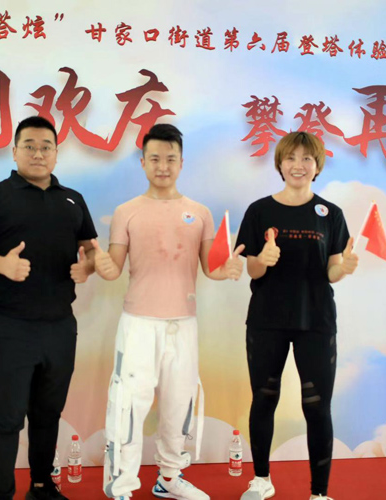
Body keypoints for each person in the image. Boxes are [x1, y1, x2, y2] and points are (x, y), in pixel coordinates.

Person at [95, 123, 244, 500]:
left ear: (182, 163)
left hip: (183, 323)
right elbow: (113, 269)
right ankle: (121, 486)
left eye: (170, 159)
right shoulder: (127, 212)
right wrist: (99, 263)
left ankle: (169, 477)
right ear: (143, 162)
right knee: (129, 404)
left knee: (179, 403)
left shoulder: (199, 212)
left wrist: (227, 269)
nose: (163, 166)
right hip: (138, 324)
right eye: (155, 158)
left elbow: (211, 268)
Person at [0, 116, 97, 500]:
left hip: (60, 327)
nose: (38, 153)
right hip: (11, 327)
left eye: (46, 147)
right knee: (6, 420)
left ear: (56, 153)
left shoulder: (73, 199)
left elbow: (91, 251)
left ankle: (41, 486)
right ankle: (2, 494)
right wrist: (2, 265)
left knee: (47, 414)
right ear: (14, 150)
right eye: (30, 146)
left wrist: (87, 267)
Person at [235, 131, 359, 500]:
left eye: (307, 158)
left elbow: (331, 270)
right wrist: (262, 259)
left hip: (316, 321)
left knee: (317, 407)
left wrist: (344, 268)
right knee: (264, 399)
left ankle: (319, 493)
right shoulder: (259, 211)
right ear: (280, 163)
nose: (298, 165)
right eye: (291, 158)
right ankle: (261, 480)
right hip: (267, 319)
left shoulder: (330, 214)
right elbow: (251, 269)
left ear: (317, 166)